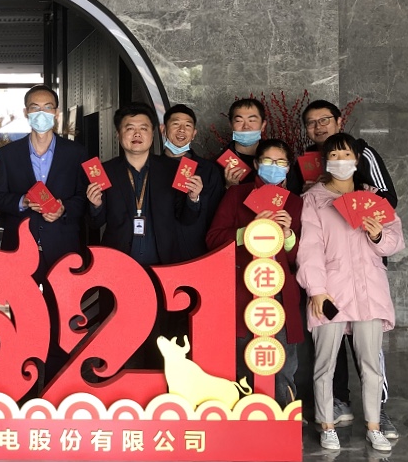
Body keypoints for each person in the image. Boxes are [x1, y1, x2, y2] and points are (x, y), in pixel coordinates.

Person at [296, 132, 404, 453]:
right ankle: (327, 425)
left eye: (346, 155)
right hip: (331, 293)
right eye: (334, 155)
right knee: (325, 363)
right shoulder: (314, 200)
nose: (340, 161)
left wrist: (378, 235)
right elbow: (309, 249)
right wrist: (317, 290)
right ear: (325, 161)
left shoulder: (372, 198)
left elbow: (395, 241)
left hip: (369, 292)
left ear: (357, 160)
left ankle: (373, 426)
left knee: (371, 363)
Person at [87, 103, 202, 367]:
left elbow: (186, 219)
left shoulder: (172, 170)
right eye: (129, 128)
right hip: (119, 270)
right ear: (119, 134)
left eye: (143, 128)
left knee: (162, 339)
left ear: (154, 134)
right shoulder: (105, 172)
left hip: (162, 269)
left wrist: (194, 199)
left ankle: (159, 388)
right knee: (120, 335)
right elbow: (95, 223)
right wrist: (95, 205)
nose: (136, 134)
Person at [206, 138, 303, 406]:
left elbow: (297, 259)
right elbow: (213, 239)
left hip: (279, 291)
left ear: (288, 168)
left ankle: (282, 417)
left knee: (281, 359)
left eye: (281, 162)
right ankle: (244, 418)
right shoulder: (237, 195)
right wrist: (247, 231)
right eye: (268, 161)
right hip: (242, 288)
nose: (274, 167)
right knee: (243, 356)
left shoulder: (295, 203)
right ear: (257, 164)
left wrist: (287, 235)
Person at [0, 84, 88, 279]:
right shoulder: (8, 154)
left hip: (62, 246)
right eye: (35, 108)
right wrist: (23, 201)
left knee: (61, 299)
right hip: (19, 246)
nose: (41, 113)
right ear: (26, 112)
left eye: (48, 107)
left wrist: (63, 208)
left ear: (56, 113)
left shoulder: (76, 153)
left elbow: (83, 197)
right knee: (20, 298)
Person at [161, 103, 224, 259]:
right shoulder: (151, 167)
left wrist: (195, 199)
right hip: (159, 252)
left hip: (197, 252)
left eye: (188, 126)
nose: (182, 130)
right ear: (163, 129)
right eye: (176, 124)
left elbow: (216, 217)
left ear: (194, 133)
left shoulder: (209, 171)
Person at [220, 98, 303, 195]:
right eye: (239, 121)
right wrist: (229, 188)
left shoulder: (279, 157)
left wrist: (283, 192)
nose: (246, 126)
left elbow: (295, 196)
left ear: (263, 125)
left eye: (252, 120)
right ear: (231, 125)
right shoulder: (220, 163)